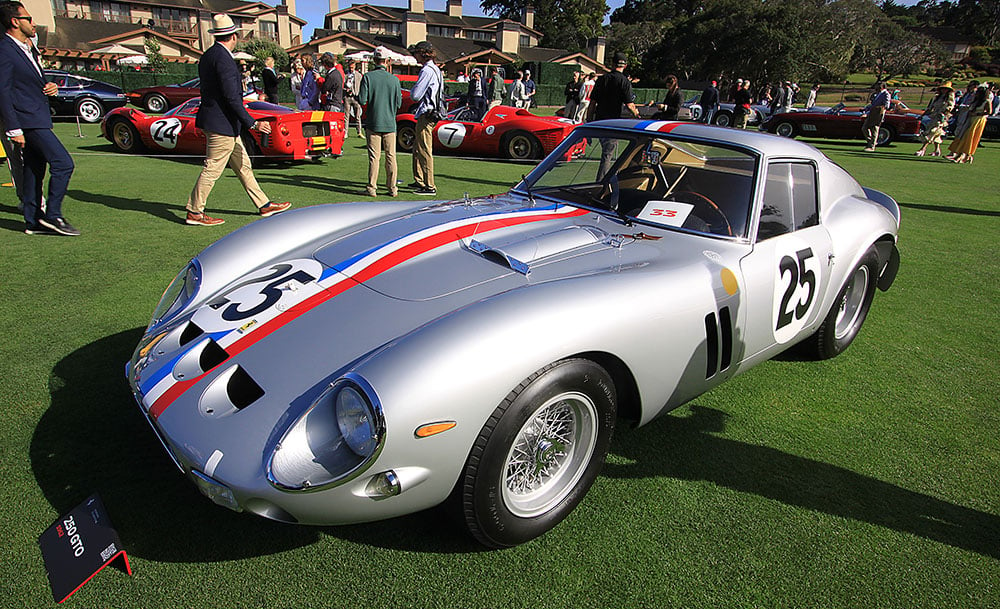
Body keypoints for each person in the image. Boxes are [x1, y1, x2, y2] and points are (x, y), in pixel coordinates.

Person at [184, 14, 290, 226]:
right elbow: (232, 97)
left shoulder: (209, 56)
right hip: (221, 124)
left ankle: (264, 205)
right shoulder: (223, 60)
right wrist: (253, 123)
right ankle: (195, 211)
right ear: (233, 36)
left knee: (243, 164)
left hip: (221, 122)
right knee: (213, 167)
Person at [0, 2, 78, 235]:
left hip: (38, 116)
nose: (34, 23)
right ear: (15, 21)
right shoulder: (4, 49)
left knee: (34, 169)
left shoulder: (29, 48)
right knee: (63, 163)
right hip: (26, 120)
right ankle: (53, 215)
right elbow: (2, 90)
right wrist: (13, 128)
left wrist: (50, 87)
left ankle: (33, 221)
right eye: (29, 18)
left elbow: (32, 82)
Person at [587, 53, 640, 181]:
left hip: (599, 121)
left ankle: (606, 179)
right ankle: (601, 182)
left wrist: (589, 121)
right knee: (607, 154)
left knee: (607, 152)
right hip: (613, 123)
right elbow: (629, 105)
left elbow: (592, 103)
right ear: (625, 65)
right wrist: (637, 115)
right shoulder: (624, 81)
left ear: (612, 64)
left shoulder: (602, 79)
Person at [358, 46, 401, 197]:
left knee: (374, 157)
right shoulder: (394, 80)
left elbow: (362, 99)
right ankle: (393, 188)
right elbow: (399, 104)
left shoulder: (368, 77)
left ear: (374, 60)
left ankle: (372, 187)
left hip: (373, 122)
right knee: (391, 156)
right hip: (390, 123)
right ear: (387, 61)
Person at [408, 40, 445, 195]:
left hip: (427, 113)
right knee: (418, 148)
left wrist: (412, 91)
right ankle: (420, 180)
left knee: (424, 150)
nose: (414, 55)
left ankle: (429, 185)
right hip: (433, 112)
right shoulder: (436, 69)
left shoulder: (427, 71)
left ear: (422, 54)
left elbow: (415, 95)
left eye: (416, 53)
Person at [946, 84, 992, 164]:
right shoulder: (975, 101)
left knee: (970, 136)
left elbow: (989, 112)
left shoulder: (986, 101)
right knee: (963, 135)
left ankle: (965, 155)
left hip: (978, 120)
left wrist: (977, 114)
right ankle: (961, 154)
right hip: (970, 119)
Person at [914, 82, 955, 157]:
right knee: (936, 133)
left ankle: (923, 149)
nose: (944, 90)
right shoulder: (937, 97)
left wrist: (945, 112)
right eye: (943, 89)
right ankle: (937, 150)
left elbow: (951, 106)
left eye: (945, 89)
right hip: (934, 116)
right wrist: (924, 114)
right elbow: (930, 108)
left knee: (932, 131)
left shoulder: (949, 97)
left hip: (941, 118)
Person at [862, 82, 890, 152]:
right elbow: (872, 104)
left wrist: (880, 108)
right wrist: (865, 109)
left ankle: (872, 146)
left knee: (875, 128)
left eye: (878, 86)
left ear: (882, 87)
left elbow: (887, 105)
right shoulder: (876, 94)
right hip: (872, 112)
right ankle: (871, 141)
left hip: (878, 113)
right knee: (864, 128)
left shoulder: (886, 94)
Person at [343, 59, 363, 137]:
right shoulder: (346, 75)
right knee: (346, 116)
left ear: (355, 67)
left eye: (352, 67)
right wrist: (346, 90)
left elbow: (361, 86)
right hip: (347, 97)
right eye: (350, 67)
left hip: (356, 97)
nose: (351, 69)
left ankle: (359, 132)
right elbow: (343, 85)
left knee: (358, 116)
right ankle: (346, 132)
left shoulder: (359, 75)